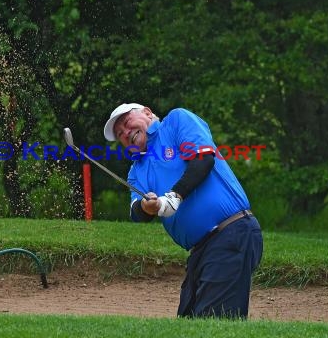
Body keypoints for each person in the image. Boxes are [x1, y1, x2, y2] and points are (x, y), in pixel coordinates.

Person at [103, 103, 263, 319]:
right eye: (120, 134)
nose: (125, 132)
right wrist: (146, 206)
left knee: (214, 324)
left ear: (147, 113)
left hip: (231, 231)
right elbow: (136, 212)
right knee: (188, 323)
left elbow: (203, 159)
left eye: (126, 122)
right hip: (201, 250)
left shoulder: (176, 122)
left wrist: (174, 196)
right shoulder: (137, 169)